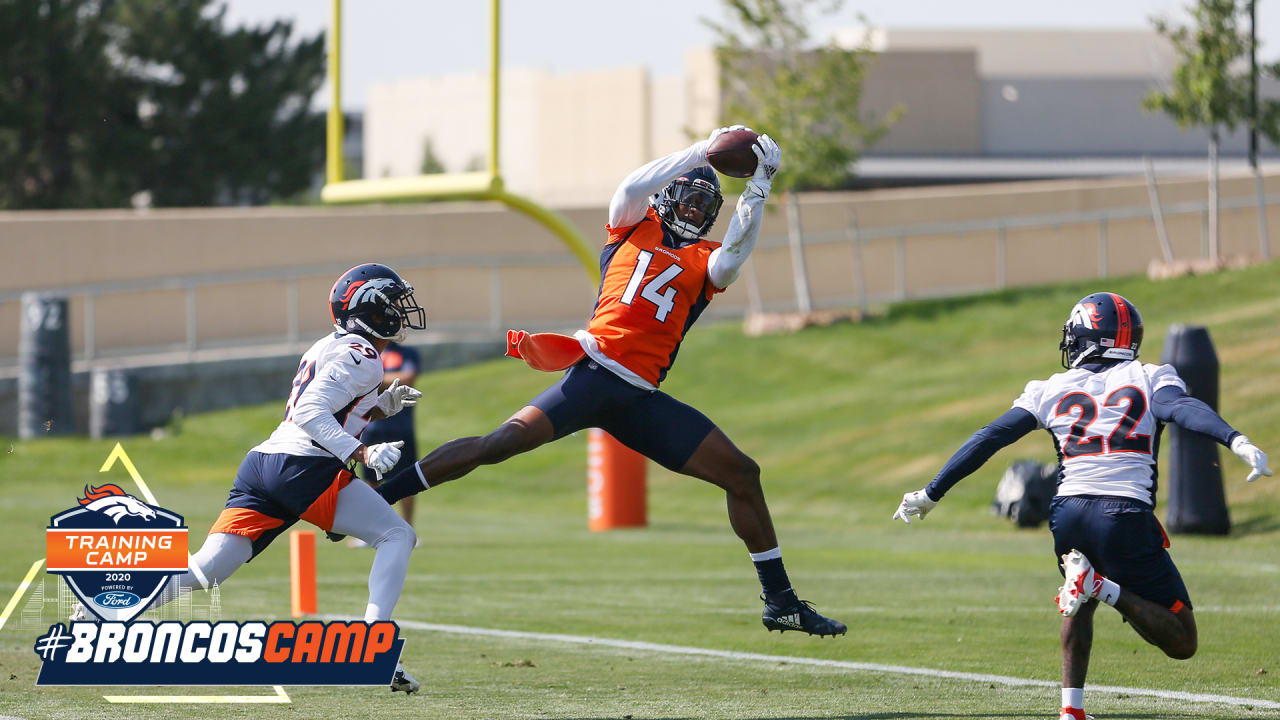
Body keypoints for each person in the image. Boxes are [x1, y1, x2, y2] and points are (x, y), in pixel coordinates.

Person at [375, 126, 846, 638]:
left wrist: (757, 188)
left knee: (742, 474)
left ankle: (780, 600)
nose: (695, 211)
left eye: (704, 206)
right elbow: (628, 187)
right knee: (501, 442)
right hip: (593, 374)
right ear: (669, 197)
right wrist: (698, 152)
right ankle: (379, 495)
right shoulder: (630, 226)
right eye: (689, 199)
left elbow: (734, 255)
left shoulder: (705, 261)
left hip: (639, 397)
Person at [890, 292, 1272, 720]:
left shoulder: (1049, 388)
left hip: (1068, 512)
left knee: (1080, 591)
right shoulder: (1149, 376)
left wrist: (930, 492)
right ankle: (1100, 587)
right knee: (1182, 640)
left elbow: (990, 437)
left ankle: (1071, 707)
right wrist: (1235, 439)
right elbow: (1181, 409)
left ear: (1084, 337)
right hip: (1123, 515)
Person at [72, 263, 430, 694]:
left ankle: (100, 604)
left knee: (208, 570)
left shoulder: (334, 346)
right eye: (391, 303)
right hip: (303, 468)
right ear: (368, 309)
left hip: (264, 464)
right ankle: (375, 646)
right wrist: (363, 451)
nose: (399, 311)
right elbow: (310, 414)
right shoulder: (363, 354)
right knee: (397, 535)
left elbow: (329, 409)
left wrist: (382, 406)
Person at [356, 340, 421, 533]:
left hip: (402, 427)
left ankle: (408, 528)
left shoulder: (407, 352)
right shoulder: (366, 353)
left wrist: (374, 381)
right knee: (371, 481)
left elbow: (407, 378)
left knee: (407, 478)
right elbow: (358, 383)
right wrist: (389, 380)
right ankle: (371, 530)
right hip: (370, 427)